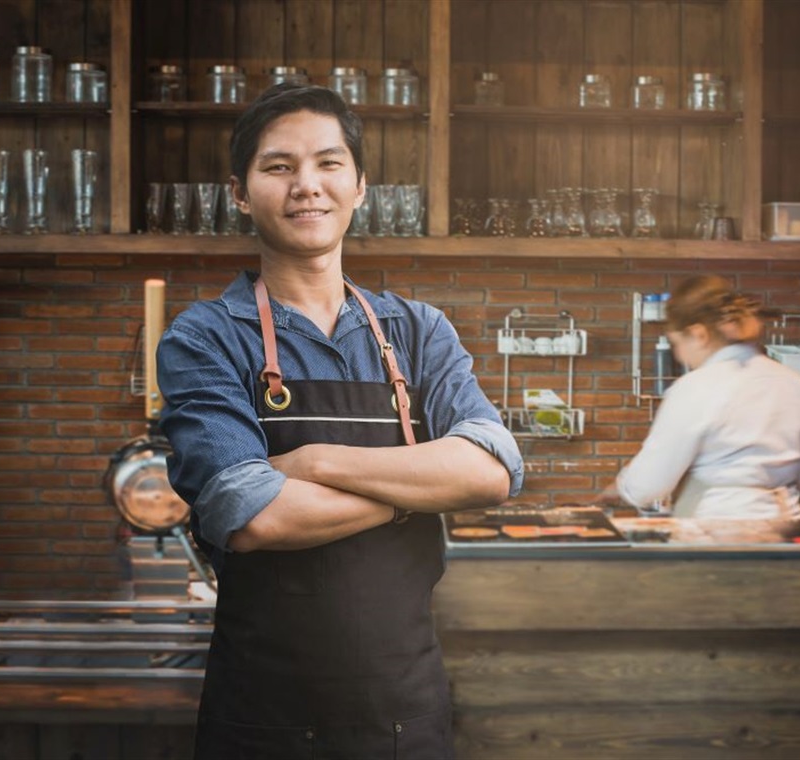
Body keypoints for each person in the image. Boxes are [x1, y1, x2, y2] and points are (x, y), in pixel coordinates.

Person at [156, 84, 524, 760]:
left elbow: (491, 468)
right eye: (278, 167)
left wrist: (314, 464)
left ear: (359, 187)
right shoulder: (205, 337)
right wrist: (415, 495)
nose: (306, 186)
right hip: (262, 719)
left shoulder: (417, 331)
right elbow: (255, 514)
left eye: (328, 164)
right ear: (239, 192)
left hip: (403, 715)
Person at [608, 275, 800, 519]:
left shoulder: (694, 388)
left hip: (719, 534)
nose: (679, 355)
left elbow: (647, 486)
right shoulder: (799, 385)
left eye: (677, 343)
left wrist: (622, 488)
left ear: (698, 334)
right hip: (787, 529)